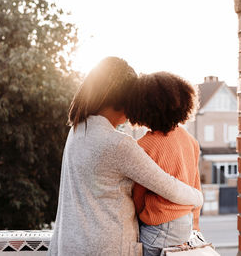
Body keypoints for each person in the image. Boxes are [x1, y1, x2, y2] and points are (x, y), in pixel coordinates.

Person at [47, 57, 203, 256]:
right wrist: (197, 197)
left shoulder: (78, 130)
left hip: (71, 244)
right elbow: (168, 187)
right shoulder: (118, 144)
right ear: (122, 100)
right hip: (108, 247)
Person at [126, 71, 202, 256]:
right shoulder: (190, 140)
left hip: (158, 226)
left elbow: (137, 195)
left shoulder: (143, 146)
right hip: (185, 222)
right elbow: (195, 184)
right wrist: (196, 222)